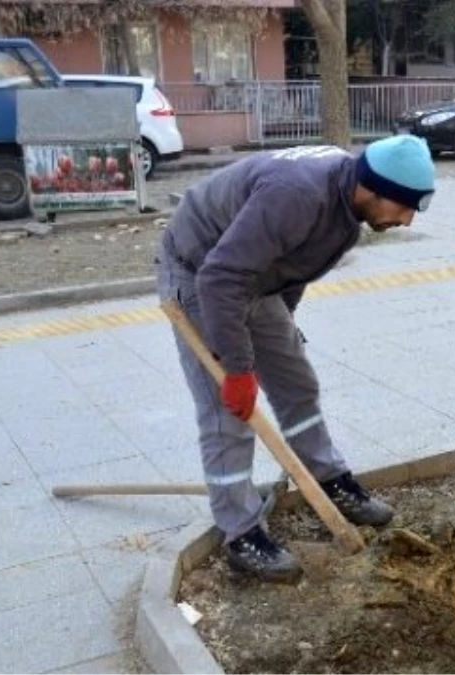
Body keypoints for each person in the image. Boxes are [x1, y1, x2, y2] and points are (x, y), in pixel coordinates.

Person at [154, 136, 436, 582]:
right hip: (201, 271)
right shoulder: (298, 195)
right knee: (229, 413)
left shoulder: (345, 213)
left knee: (296, 381)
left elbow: (296, 266)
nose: (407, 219)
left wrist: (281, 325)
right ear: (374, 190)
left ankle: (330, 480)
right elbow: (220, 277)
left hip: (250, 274)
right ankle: (241, 531)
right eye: (404, 206)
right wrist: (240, 370)